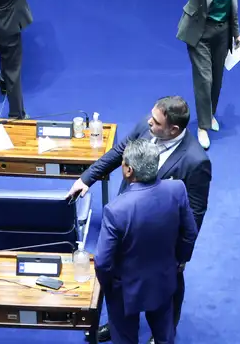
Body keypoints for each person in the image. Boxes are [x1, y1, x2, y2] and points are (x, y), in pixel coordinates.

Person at [68, 96, 210, 343]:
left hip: (162, 241)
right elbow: (119, 152)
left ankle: (162, 334)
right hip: (128, 223)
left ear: (173, 129)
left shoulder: (196, 161)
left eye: (156, 122)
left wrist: (182, 257)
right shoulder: (147, 126)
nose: (149, 122)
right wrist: (87, 178)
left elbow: (195, 212)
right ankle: (119, 324)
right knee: (124, 286)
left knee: (167, 291)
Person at [95, 138, 198, 344]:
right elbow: (190, 233)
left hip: (125, 288)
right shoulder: (177, 189)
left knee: (125, 339)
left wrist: (109, 287)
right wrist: (178, 261)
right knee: (164, 337)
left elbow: (102, 262)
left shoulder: (116, 210)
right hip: (164, 278)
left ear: (129, 170)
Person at [176, 0, 240, 150]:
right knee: (205, 79)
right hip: (200, 34)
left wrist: (237, 34)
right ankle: (202, 127)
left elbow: (233, 9)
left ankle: (210, 113)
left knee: (217, 78)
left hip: (222, 33)